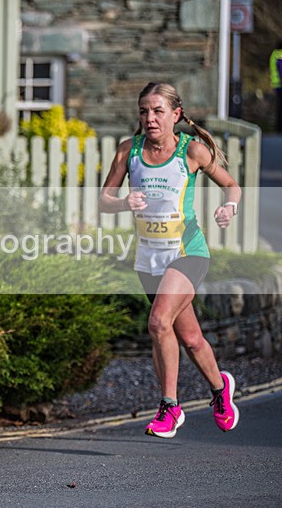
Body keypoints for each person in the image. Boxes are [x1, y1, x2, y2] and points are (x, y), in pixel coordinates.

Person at [99, 82, 242, 439]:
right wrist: (122, 203)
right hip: (149, 261)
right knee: (191, 338)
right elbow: (104, 199)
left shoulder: (190, 151)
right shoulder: (127, 152)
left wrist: (229, 207)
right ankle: (220, 388)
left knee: (159, 322)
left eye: (158, 111)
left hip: (188, 253)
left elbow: (232, 185)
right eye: (144, 111)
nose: (150, 118)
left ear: (176, 115)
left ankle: (170, 406)